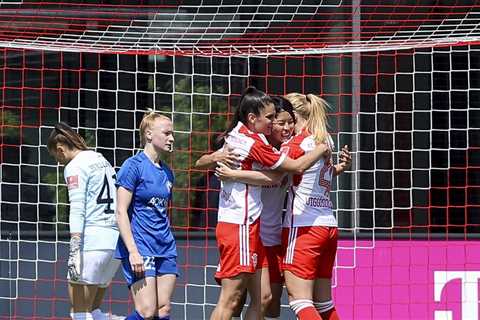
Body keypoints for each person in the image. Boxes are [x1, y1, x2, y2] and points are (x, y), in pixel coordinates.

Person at [195, 87, 330, 320]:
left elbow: (292, 174)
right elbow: (291, 170)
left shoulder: (264, 144)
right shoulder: (255, 144)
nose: (283, 127)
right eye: (275, 120)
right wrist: (320, 148)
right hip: (240, 225)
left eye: (289, 122)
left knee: (268, 300)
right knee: (233, 301)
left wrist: (334, 168)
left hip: (259, 232)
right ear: (252, 118)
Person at [282, 93, 351, 320]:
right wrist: (340, 167)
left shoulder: (294, 145)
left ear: (292, 115)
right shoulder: (324, 139)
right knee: (323, 303)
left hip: (304, 226)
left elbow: (275, 175)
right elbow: (324, 174)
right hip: (327, 226)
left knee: (299, 300)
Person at [47, 122, 120, 320]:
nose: (58, 162)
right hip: (114, 242)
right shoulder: (100, 158)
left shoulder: (74, 166)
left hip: (92, 242)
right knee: (95, 312)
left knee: (78, 313)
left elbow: (77, 208)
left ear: (60, 149)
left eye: (56, 157)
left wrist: (74, 247)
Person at [115, 111, 177, 320]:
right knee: (147, 311)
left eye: (172, 133)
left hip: (165, 246)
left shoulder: (168, 172)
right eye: (167, 133)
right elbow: (121, 211)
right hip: (140, 246)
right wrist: (133, 251)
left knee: (163, 309)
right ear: (149, 134)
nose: (172, 138)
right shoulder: (133, 166)